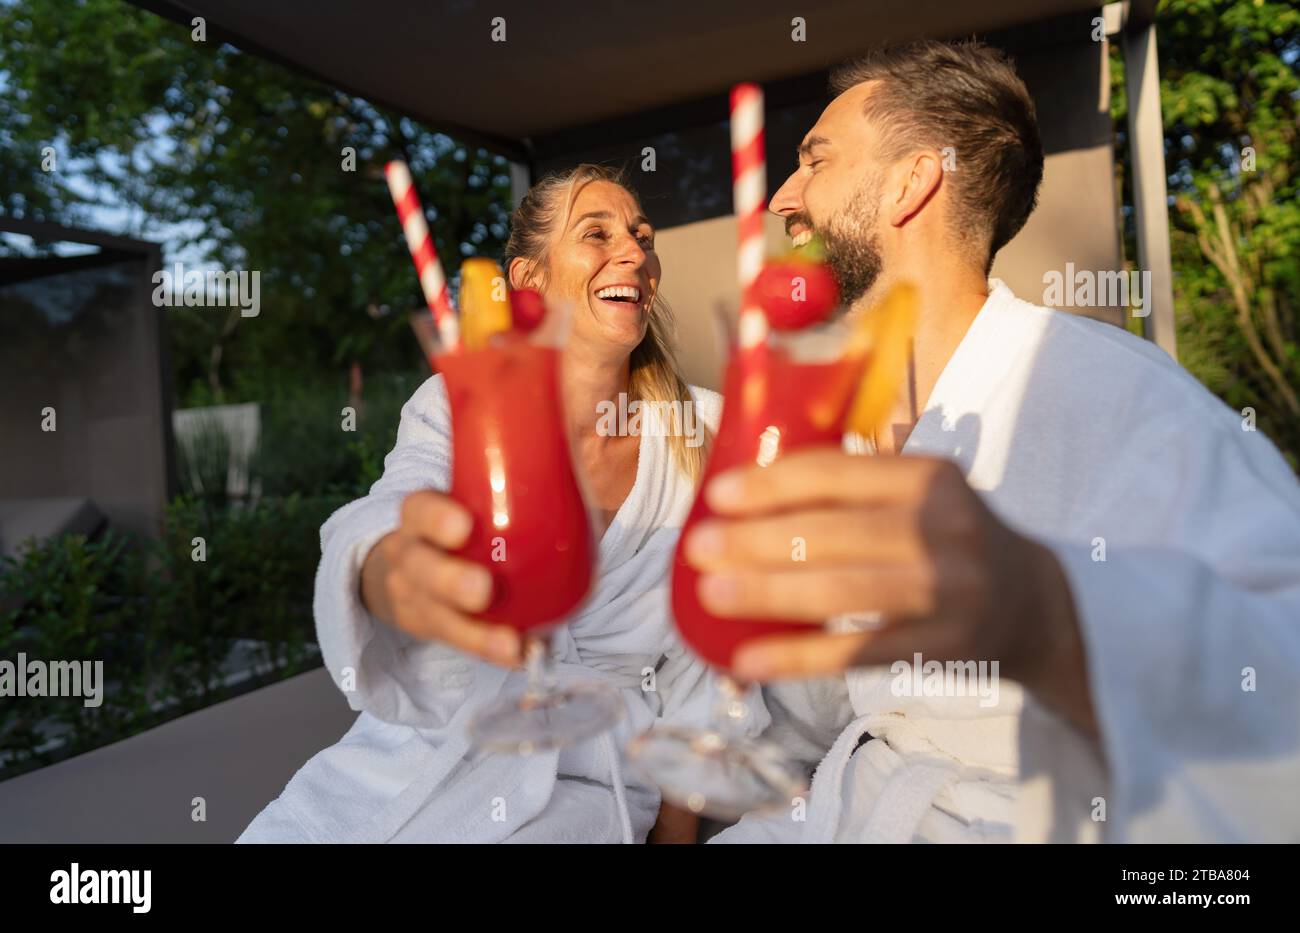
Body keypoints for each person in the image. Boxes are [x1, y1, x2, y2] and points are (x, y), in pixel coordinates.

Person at [695, 39, 1300, 843]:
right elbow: (830, 716)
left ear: (914, 181)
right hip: (845, 807)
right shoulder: (833, 423)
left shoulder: (1119, 399)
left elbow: (1280, 684)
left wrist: (1047, 610)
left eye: (816, 159)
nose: (781, 198)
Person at [239, 164, 746, 844]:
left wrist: (677, 829)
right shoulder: (462, 405)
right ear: (528, 279)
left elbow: (708, 656)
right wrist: (394, 571)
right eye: (596, 233)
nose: (635, 252)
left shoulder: (706, 430)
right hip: (427, 745)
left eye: (642, 236)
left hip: (598, 778)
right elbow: (395, 506)